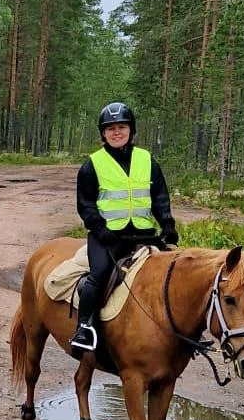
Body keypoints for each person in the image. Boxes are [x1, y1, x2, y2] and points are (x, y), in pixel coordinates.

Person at [70, 100, 177, 355]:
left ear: (131, 130)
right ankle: (84, 328)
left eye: (121, 127)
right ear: (103, 134)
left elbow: (160, 198)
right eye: (110, 128)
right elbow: (86, 205)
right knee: (100, 274)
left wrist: (168, 227)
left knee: (173, 276)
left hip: (144, 235)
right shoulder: (92, 164)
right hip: (108, 237)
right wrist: (99, 228)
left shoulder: (147, 160)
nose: (116, 132)